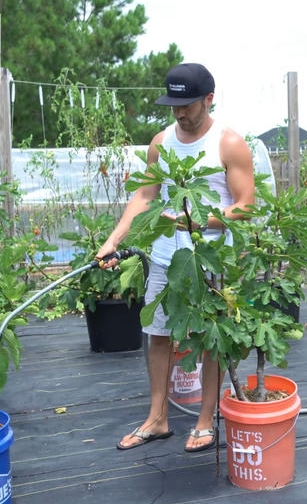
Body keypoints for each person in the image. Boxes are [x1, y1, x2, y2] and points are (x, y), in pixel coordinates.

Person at [96, 63, 257, 453]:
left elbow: (246, 206)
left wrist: (199, 224)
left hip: (211, 259)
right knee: (159, 336)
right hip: (167, 257)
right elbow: (145, 196)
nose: (181, 114)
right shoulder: (161, 142)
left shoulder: (229, 144)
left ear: (208, 99)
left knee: (208, 338)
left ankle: (205, 420)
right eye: (174, 106)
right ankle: (157, 420)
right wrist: (114, 239)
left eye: (188, 105)